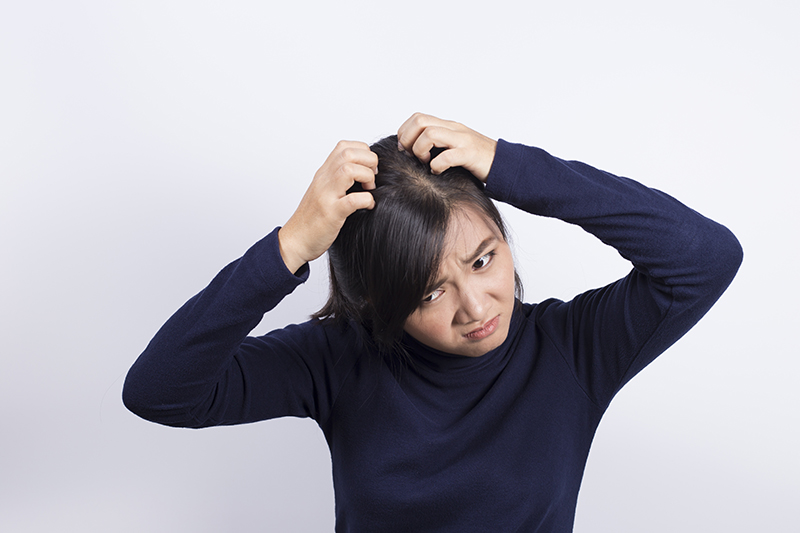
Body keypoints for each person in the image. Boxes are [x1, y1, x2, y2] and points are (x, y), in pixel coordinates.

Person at [123, 113, 743, 532]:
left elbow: (706, 257)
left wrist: (508, 165)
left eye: (483, 260)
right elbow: (158, 391)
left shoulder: (572, 351)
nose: (476, 308)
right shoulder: (338, 360)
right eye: (428, 293)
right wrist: (288, 247)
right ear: (378, 301)